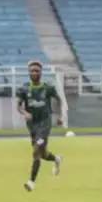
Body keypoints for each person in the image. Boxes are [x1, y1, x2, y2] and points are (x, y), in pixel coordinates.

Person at [16, 60, 64, 192]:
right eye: (32, 71)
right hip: (32, 124)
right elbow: (18, 106)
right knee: (42, 154)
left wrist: (60, 116)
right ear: (28, 72)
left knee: (36, 151)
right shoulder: (24, 88)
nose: (34, 73)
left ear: (41, 72)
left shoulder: (48, 87)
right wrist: (25, 113)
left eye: (37, 70)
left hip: (44, 123)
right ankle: (56, 159)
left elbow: (59, 100)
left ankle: (31, 182)